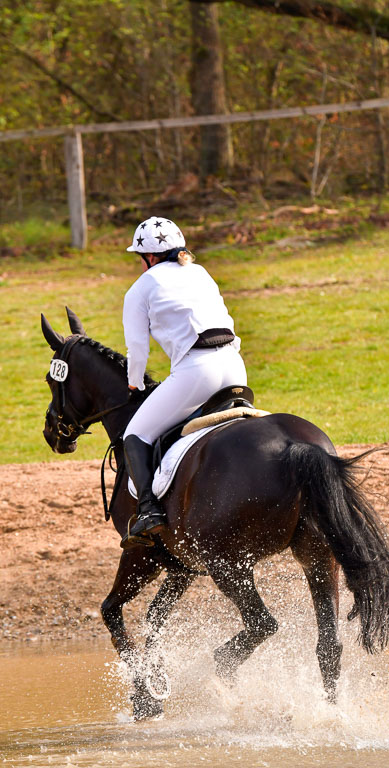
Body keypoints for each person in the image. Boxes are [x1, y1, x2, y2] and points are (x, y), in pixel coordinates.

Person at [121, 216, 247, 548]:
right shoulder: (201, 272)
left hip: (195, 372)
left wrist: (135, 383)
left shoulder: (141, 287)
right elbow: (229, 320)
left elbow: (137, 347)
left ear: (148, 257)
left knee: (135, 434)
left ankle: (149, 511)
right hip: (235, 366)